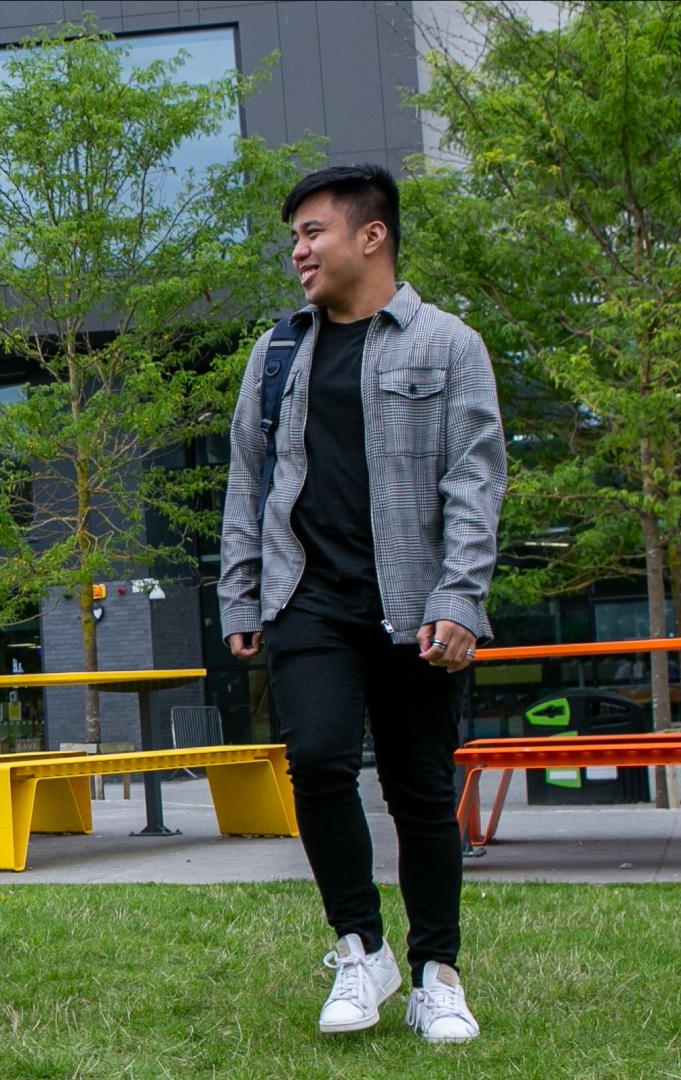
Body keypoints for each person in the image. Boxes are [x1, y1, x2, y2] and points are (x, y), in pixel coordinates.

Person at [218, 165, 505, 1043]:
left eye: (313, 232)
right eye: (295, 237)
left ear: (370, 236)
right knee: (316, 762)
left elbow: (475, 479)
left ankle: (435, 972)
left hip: (416, 601)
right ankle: (359, 946)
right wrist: (241, 592)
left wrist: (460, 596)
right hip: (306, 595)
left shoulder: (449, 345)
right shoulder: (275, 355)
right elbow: (247, 479)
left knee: (420, 790)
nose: (298, 250)